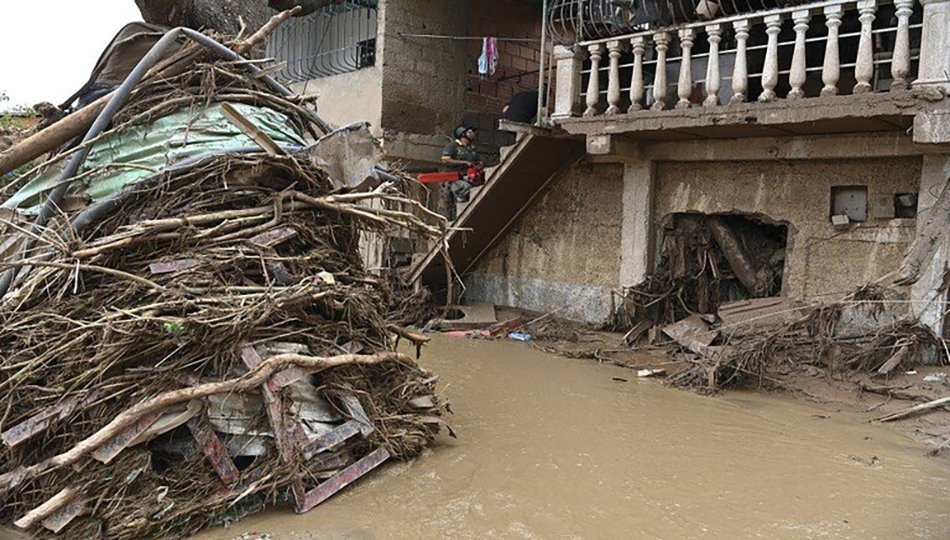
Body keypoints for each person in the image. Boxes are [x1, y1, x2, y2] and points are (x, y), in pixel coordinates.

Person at [441, 126, 481, 220]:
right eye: (470, 132)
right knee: (466, 187)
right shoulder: (453, 146)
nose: (473, 134)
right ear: (462, 134)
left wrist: (479, 164)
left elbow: (477, 161)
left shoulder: (472, 149)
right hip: (455, 177)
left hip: (469, 176)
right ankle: (458, 208)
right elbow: (445, 160)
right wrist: (463, 162)